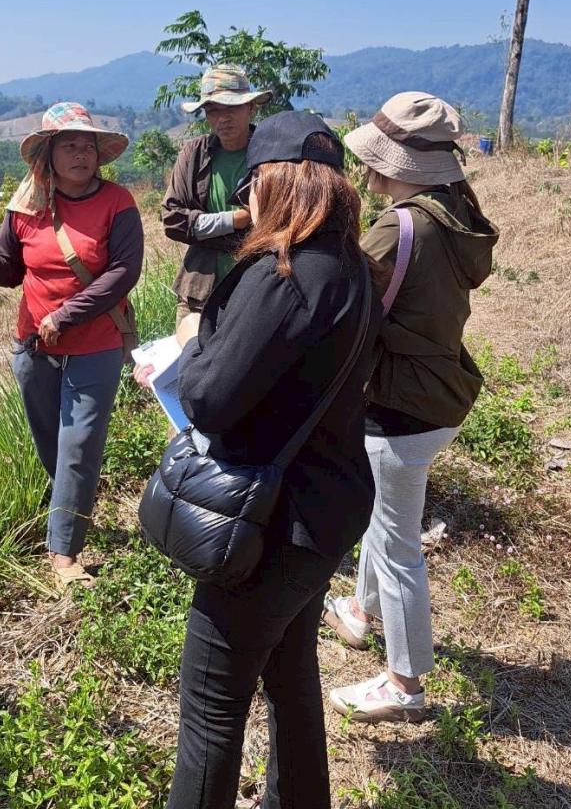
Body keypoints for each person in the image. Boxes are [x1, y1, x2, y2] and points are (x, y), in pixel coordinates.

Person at [149, 111, 379, 809]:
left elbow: (208, 398)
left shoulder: (283, 273)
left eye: (251, 185)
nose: (245, 201)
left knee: (211, 705)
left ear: (271, 183)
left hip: (272, 525)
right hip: (328, 507)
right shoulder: (353, 267)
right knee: (289, 674)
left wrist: (190, 341)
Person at [324, 92, 498, 723]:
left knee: (398, 544)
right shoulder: (454, 215)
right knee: (384, 515)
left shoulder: (398, 228)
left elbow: (340, 303)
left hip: (400, 402)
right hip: (440, 391)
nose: (366, 170)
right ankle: (360, 612)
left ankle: (404, 683)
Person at [0, 102, 143, 590]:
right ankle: (71, 508)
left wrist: (65, 315)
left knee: (79, 443)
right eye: (68, 145)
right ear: (48, 155)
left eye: (87, 145)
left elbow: (123, 272)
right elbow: (11, 272)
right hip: (34, 346)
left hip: (96, 344)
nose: (80, 153)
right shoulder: (26, 208)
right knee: (53, 446)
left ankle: (64, 553)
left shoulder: (117, 203)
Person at [161, 64, 273, 324]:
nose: (223, 118)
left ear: (251, 107)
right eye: (213, 110)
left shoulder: (271, 155)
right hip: (199, 292)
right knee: (192, 347)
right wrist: (236, 220)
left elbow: (279, 222)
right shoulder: (194, 154)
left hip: (257, 291)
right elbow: (173, 221)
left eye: (232, 107)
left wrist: (203, 229)